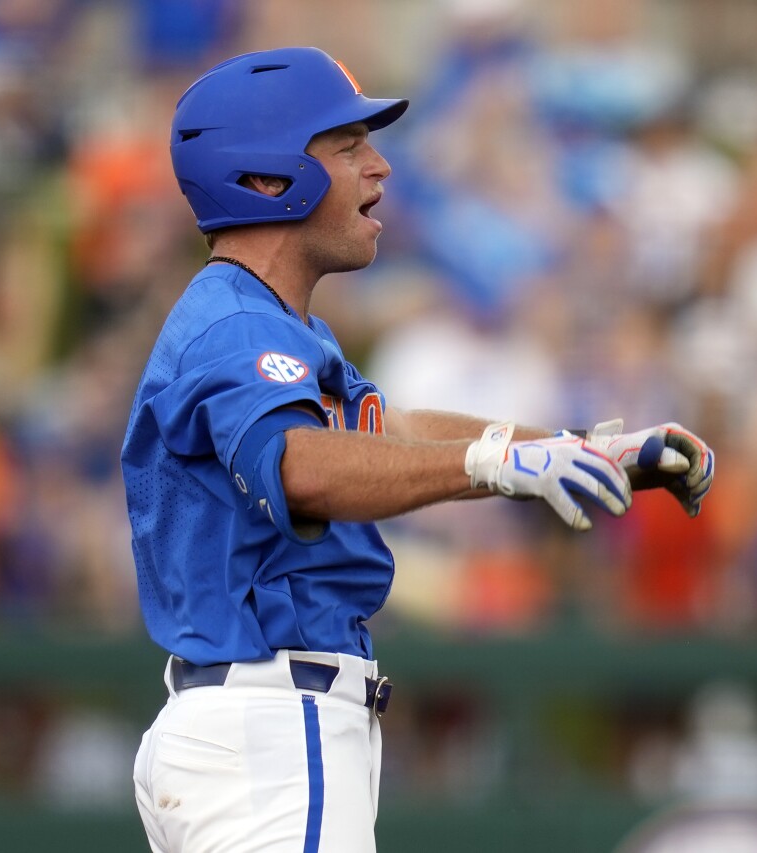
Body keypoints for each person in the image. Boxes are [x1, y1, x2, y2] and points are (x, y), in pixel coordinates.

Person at [120, 46, 715, 853]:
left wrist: (576, 450)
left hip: (253, 726)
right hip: (270, 728)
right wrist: (495, 463)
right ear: (266, 180)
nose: (380, 166)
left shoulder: (266, 321)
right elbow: (302, 464)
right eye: (346, 146)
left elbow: (389, 433)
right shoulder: (238, 325)